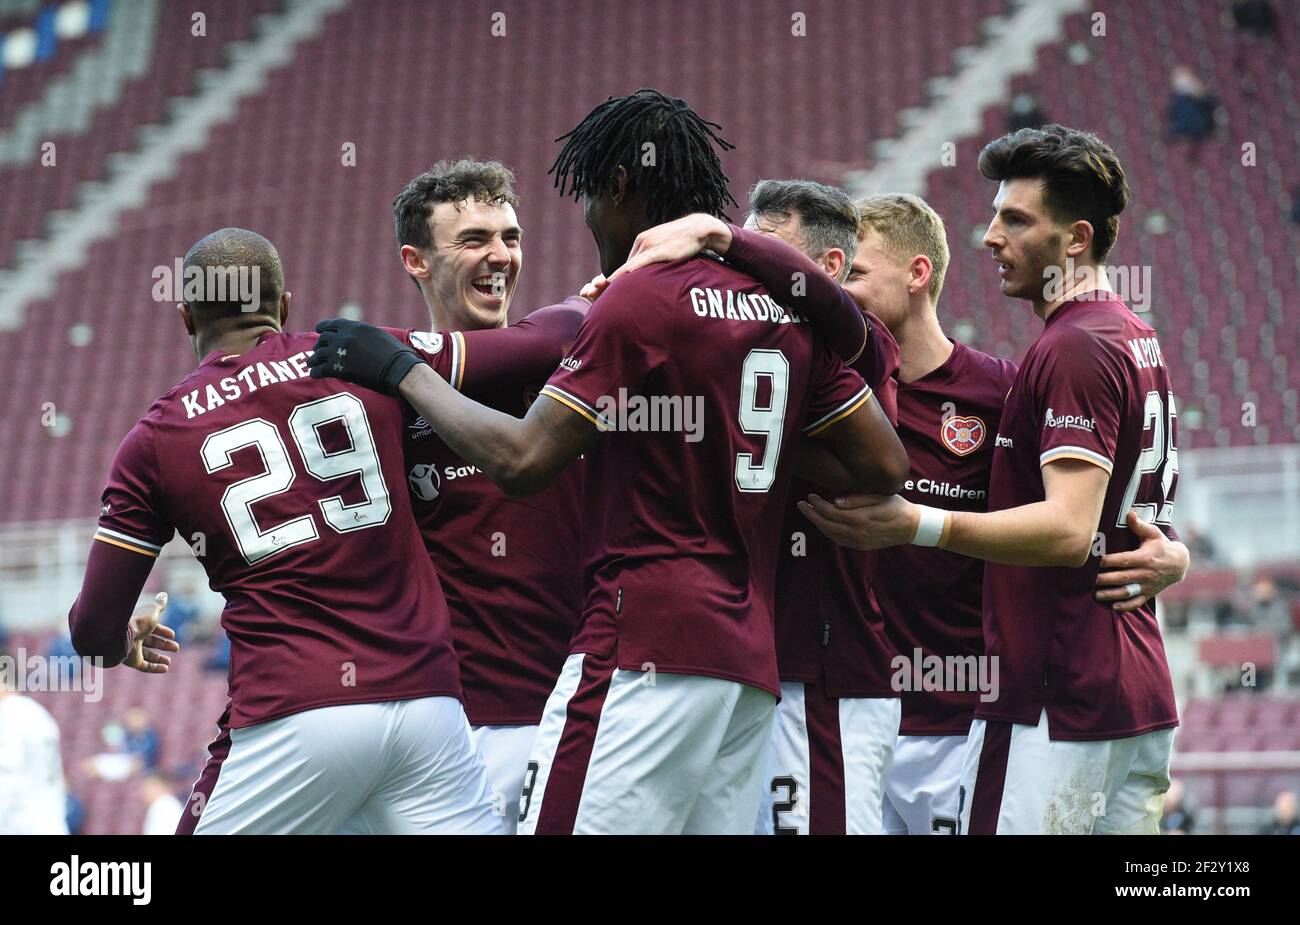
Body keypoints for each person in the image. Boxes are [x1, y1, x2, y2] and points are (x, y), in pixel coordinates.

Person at [310, 88, 909, 834]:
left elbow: (525, 460)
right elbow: (883, 464)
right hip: (747, 665)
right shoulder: (778, 310)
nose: (587, 218)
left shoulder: (637, 301)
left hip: (642, 642)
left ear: (619, 186)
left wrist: (400, 370)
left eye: (589, 194)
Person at [801, 125, 1184, 835]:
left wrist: (913, 520)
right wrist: (1176, 548)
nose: (989, 236)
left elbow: (1071, 529)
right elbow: (1130, 512)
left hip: (1053, 693)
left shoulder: (1071, 347)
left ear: (1075, 238)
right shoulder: (1132, 335)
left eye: (1015, 219)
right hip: (1132, 696)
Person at [68, 227, 502, 835]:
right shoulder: (368, 358)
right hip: (429, 703)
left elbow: (91, 633)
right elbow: (539, 344)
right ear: (286, 304)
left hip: (293, 712)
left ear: (187, 315)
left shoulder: (155, 439)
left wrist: (119, 642)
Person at [385, 159, 587, 831]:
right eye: (474, 239)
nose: (500, 255)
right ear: (416, 260)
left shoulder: (572, 360)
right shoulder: (384, 401)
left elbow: (576, 316)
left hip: (570, 716)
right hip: (445, 729)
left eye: (511, 236)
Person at [0, 658, 69, 834]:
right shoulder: (39, 713)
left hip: (21, 826)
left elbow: (7, 777)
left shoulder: (8, 714)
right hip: (51, 823)